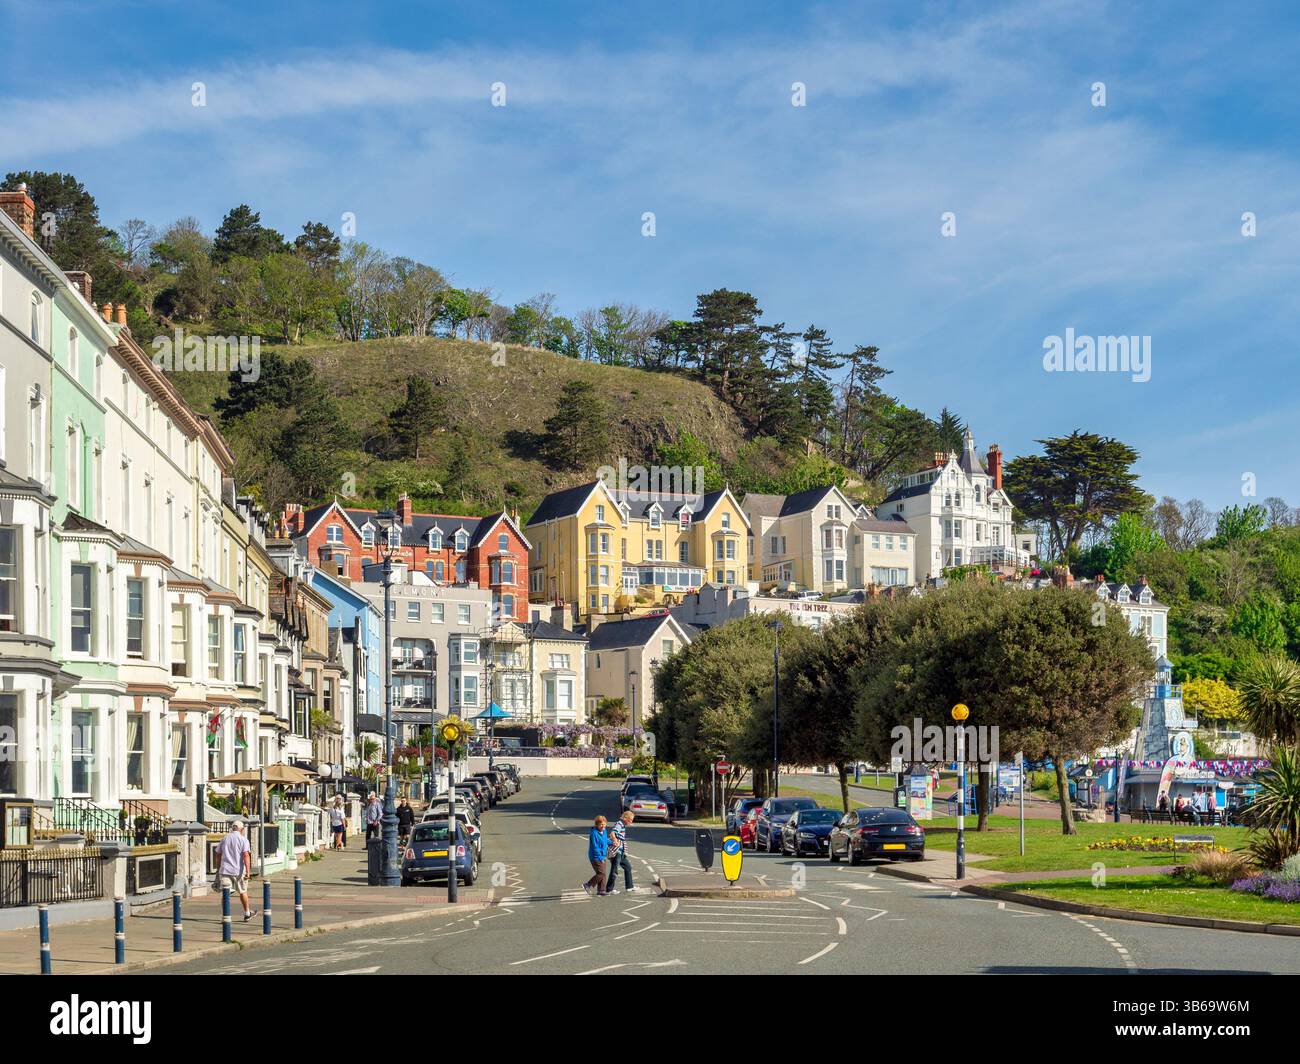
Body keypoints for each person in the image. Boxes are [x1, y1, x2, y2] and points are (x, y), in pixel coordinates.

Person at [216, 820, 256, 922]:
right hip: (238, 871)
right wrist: (248, 871)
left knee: (225, 893)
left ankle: (225, 916)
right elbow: (246, 855)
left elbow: (218, 854)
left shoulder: (225, 838)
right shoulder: (243, 840)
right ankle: (247, 913)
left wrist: (218, 869)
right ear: (242, 829)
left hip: (225, 870)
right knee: (242, 891)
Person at [606, 811, 635, 894]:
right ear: (626, 818)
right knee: (614, 870)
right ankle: (609, 889)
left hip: (621, 851)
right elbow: (612, 833)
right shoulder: (620, 823)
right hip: (617, 851)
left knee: (628, 867)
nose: (631, 822)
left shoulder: (622, 824)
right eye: (630, 820)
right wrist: (615, 841)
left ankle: (629, 887)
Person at [583, 815, 609, 896]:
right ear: (597, 824)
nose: (603, 826)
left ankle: (601, 890)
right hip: (595, 856)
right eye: (601, 824)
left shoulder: (604, 831)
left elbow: (605, 840)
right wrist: (600, 857)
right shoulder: (594, 833)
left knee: (603, 873)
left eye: (604, 824)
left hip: (602, 855)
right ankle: (587, 885)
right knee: (601, 873)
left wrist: (612, 842)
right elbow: (595, 847)